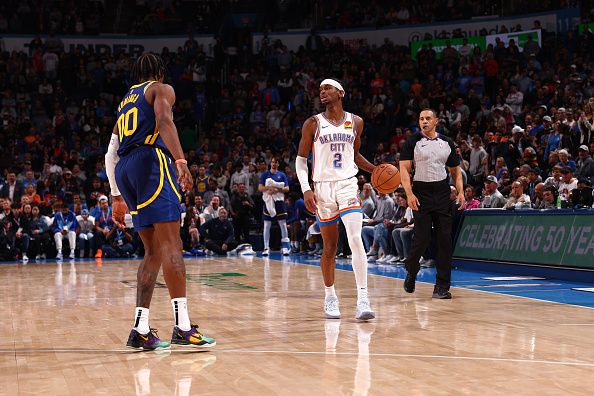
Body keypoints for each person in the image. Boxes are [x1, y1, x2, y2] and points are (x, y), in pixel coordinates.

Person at [105, 53, 215, 351]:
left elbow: (109, 153)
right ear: (160, 74)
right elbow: (165, 121)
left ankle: (140, 329)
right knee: (171, 246)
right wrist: (180, 160)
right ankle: (182, 327)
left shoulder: (125, 101)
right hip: (150, 161)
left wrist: (116, 195)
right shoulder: (160, 89)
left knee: (152, 251)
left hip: (125, 169)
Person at [295, 78, 375, 320]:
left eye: (327, 88)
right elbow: (301, 160)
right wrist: (306, 189)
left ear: (340, 92)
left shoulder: (356, 122)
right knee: (329, 247)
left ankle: (363, 299)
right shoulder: (312, 123)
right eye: (320, 90)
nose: (322, 92)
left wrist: (377, 170)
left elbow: (355, 155)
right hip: (322, 188)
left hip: (348, 184)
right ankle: (330, 296)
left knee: (354, 238)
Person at [399, 109, 465, 299]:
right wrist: (409, 194)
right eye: (421, 119)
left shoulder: (447, 142)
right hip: (421, 192)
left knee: (445, 239)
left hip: (442, 192)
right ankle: (411, 270)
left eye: (428, 118)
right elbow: (404, 170)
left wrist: (460, 192)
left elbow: (456, 171)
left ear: (436, 121)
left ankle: (442, 287)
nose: (424, 121)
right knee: (422, 238)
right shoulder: (412, 142)